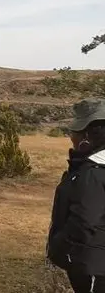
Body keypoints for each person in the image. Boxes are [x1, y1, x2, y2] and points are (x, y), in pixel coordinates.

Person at [47, 97, 105, 292]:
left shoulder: (93, 173)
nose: (71, 136)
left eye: (74, 131)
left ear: (87, 135)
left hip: (93, 268)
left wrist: (59, 248)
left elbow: (84, 221)